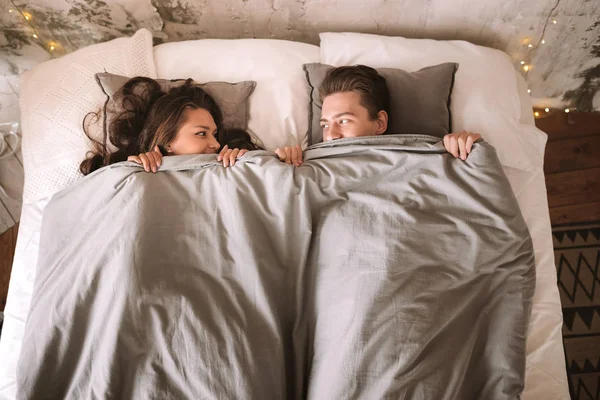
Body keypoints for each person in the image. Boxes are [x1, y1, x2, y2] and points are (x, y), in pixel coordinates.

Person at [275, 65, 481, 166]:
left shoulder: (425, 161)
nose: (331, 136)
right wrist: (280, 168)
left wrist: (467, 150)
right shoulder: (308, 166)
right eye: (325, 125)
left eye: (344, 121)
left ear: (380, 122)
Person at [80, 77, 258, 175]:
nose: (216, 144)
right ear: (167, 141)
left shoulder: (237, 165)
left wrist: (278, 161)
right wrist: (128, 172)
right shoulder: (131, 174)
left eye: (214, 134)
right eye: (202, 134)